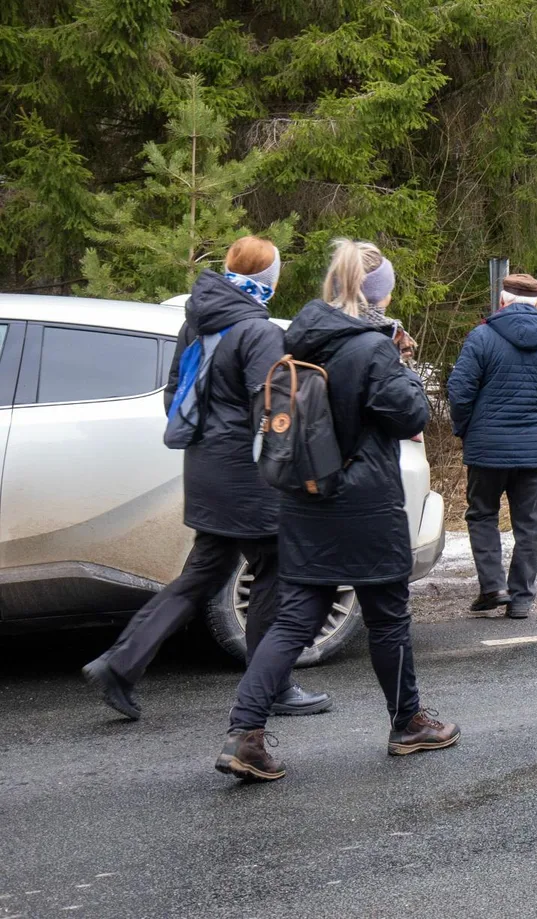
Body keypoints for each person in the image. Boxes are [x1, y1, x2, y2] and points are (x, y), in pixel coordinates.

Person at [216, 240, 457, 782]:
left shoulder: (296, 337)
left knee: (296, 616)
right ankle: (408, 723)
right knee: (388, 617)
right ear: (380, 294)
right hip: (366, 502)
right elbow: (410, 412)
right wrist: (400, 361)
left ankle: (246, 733)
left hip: (305, 495)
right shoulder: (373, 349)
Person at [82, 237, 331, 722]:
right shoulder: (257, 331)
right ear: (268, 280)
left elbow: (175, 393)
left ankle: (119, 662)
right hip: (248, 477)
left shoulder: (197, 321)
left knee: (204, 572)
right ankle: (272, 684)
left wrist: (212, 437)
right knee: (275, 572)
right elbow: (274, 408)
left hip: (204, 466)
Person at [449, 272, 537, 619]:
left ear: (502, 300)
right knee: (530, 525)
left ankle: (493, 586)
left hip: (487, 447)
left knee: (482, 515)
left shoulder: (482, 337)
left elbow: (460, 393)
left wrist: (465, 429)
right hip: (534, 453)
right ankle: (520, 598)